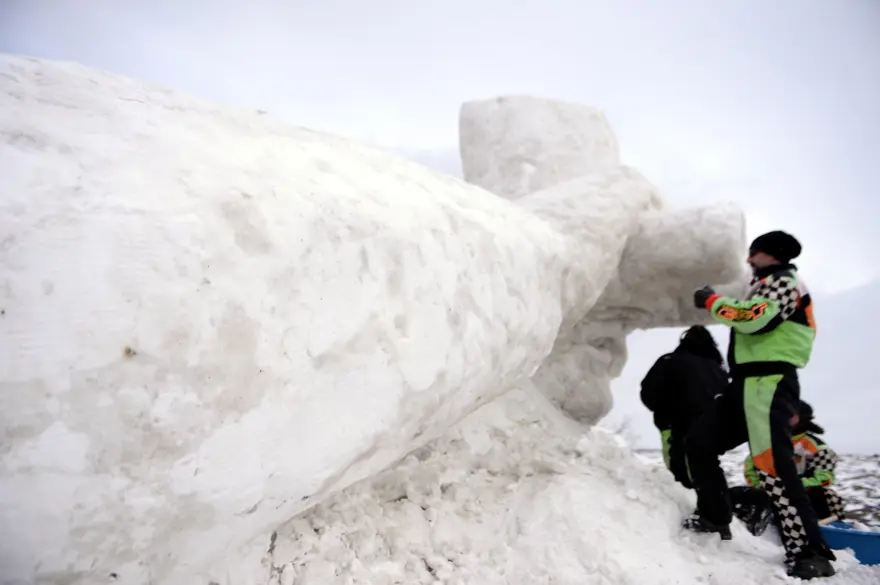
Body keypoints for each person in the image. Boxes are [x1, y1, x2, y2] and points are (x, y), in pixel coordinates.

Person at [684, 230, 837, 580]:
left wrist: (711, 301)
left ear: (769, 254)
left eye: (753, 254)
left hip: (769, 382)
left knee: (772, 466)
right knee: (700, 442)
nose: (748, 261)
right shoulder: (766, 283)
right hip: (744, 383)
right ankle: (714, 516)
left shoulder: (784, 281)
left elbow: (755, 318)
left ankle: (809, 552)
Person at [732, 400, 846, 536]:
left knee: (828, 497)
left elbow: (825, 477)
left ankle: (827, 533)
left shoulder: (815, 446)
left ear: (802, 420)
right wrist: (761, 486)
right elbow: (751, 469)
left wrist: (795, 486)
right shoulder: (766, 444)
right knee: (741, 495)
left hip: (805, 495)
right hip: (769, 493)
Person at [639, 325, 729, 489]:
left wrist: (663, 412)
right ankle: (713, 506)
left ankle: (689, 505)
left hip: (675, 425)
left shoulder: (669, 361)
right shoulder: (717, 368)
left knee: (679, 474)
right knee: (706, 470)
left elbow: (649, 391)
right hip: (713, 429)